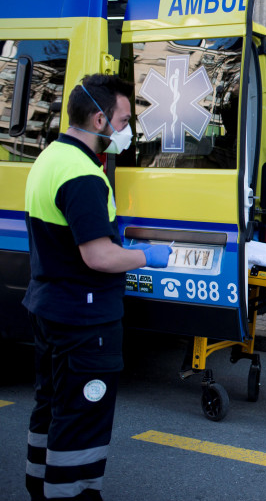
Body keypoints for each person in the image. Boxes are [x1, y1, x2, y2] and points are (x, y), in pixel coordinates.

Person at [23, 74, 172, 501]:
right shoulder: (84, 174)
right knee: (81, 419)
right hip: (84, 320)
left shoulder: (50, 157)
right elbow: (98, 257)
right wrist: (149, 256)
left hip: (51, 308)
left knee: (50, 410)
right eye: (123, 121)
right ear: (99, 117)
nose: (126, 131)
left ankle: (41, 488)